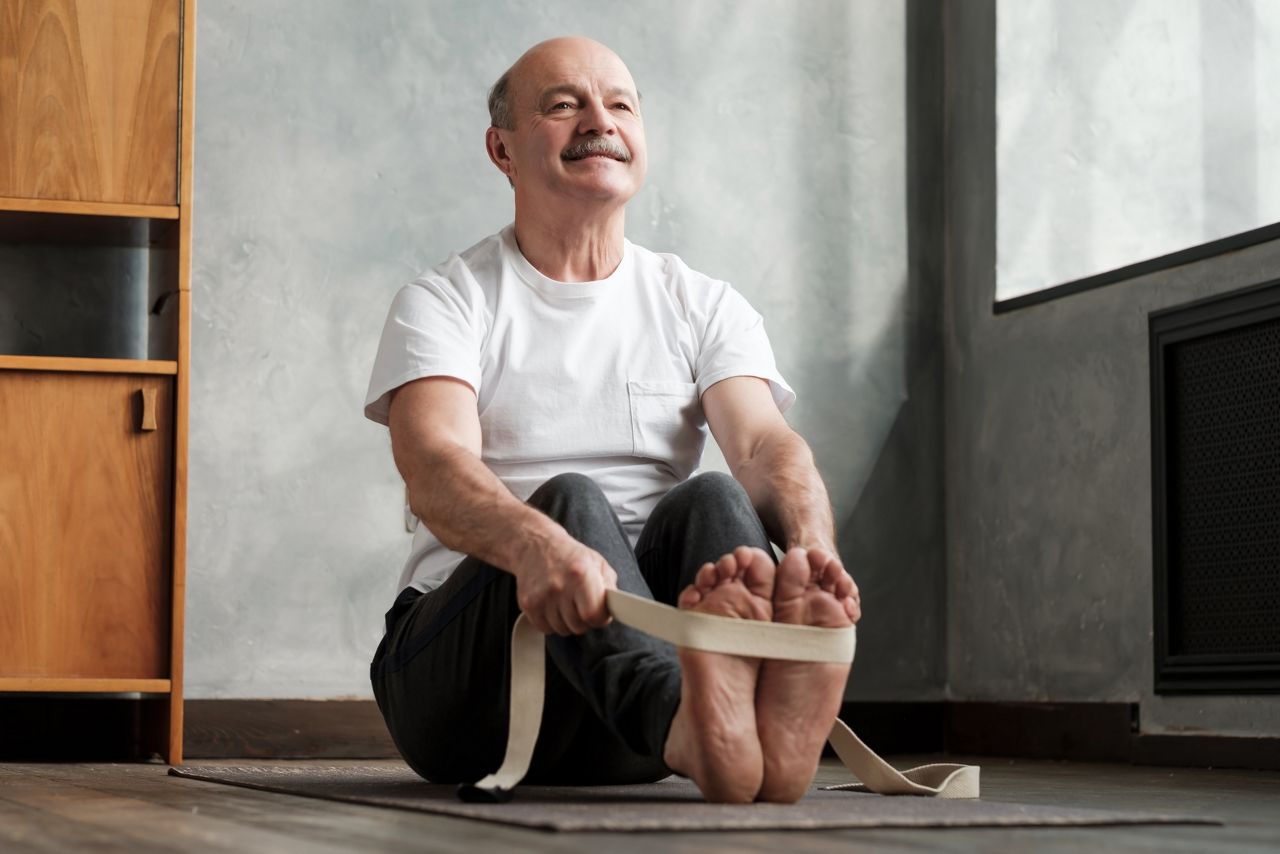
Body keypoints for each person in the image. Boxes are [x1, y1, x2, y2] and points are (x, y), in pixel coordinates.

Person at [363, 36, 861, 804]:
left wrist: (814, 554)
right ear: (502, 149)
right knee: (568, 502)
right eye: (564, 105)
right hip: (472, 694)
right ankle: (704, 721)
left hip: (625, 721)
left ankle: (741, 721)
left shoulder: (701, 302)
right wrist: (540, 546)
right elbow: (434, 466)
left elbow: (763, 446)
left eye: (619, 104)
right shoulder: (447, 300)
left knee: (713, 499)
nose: (600, 120)